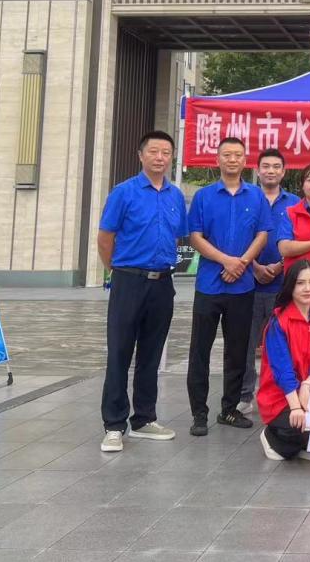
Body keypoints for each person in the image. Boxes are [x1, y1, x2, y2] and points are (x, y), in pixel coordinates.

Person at [96, 130, 186, 453]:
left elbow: (178, 236)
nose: (160, 158)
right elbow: (105, 238)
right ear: (141, 155)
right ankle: (114, 424)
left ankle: (144, 418)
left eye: (166, 152)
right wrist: (117, 270)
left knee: (151, 353)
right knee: (120, 352)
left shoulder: (175, 196)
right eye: (154, 151)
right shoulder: (124, 192)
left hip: (162, 283)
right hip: (128, 281)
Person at [186, 136, 272, 436]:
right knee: (200, 350)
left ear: (245, 160)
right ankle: (199, 413)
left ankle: (229, 409)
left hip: (242, 287)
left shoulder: (256, 196)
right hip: (209, 286)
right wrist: (226, 261)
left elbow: (262, 234)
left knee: (237, 351)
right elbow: (195, 236)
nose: (232, 160)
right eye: (227, 155)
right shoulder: (203, 197)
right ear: (218, 159)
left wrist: (242, 263)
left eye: (238, 155)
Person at [257, 259, 310, 464]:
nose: (308, 288)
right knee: (300, 425)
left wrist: (308, 384)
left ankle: (302, 444)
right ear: (290, 286)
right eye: (300, 283)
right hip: (281, 397)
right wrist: (296, 407)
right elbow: (282, 370)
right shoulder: (279, 322)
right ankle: (271, 437)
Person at [239, 149, 297, 416]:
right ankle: (244, 395)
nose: (271, 171)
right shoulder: (246, 198)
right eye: (266, 166)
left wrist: (280, 265)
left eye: (276, 166)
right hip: (248, 282)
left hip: (284, 285)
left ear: (283, 172)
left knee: (282, 345)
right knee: (245, 343)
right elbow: (239, 238)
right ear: (258, 169)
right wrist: (253, 266)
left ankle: (283, 395)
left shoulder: (294, 203)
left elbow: (298, 239)